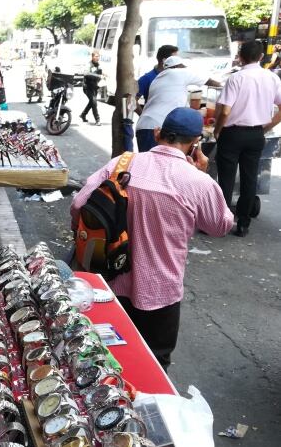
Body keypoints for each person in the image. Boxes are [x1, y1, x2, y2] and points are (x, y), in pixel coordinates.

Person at [71, 107, 233, 371]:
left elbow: (79, 203)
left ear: (158, 134)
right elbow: (220, 225)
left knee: (104, 355)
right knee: (154, 363)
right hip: (160, 291)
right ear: (195, 144)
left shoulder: (121, 163)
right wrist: (203, 175)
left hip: (109, 280)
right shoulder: (198, 182)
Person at [214, 40, 281, 237]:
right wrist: (266, 127)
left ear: (241, 57)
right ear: (261, 57)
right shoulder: (272, 78)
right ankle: (243, 223)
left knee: (225, 179)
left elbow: (225, 110)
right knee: (249, 178)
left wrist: (218, 130)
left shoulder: (236, 78)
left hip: (232, 133)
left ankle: (223, 221)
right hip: (256, 134)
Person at [135, 56, 221, 152]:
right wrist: (225, 86)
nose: (184, 69)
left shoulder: (157, 79)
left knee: (147, 164)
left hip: (143, 126)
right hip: (159, 128)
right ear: (177, 66)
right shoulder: (179, 72)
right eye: (183, 66)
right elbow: (210, 81)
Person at [136, 45, 178, 109]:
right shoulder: (146, 79)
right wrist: (143, 114)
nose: (178, 63)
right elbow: (132, 101)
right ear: (164, 61)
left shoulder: (176, 76)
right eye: (175, 60)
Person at [80, 50, 103, 126]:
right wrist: (97, 76)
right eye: (96, 56)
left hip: (94, 87)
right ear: (92, 57)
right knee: (94, 102)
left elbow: (100, 75)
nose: (97, 58)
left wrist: (101, 79)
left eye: (98, 56)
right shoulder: (89, 65)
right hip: (87, 87)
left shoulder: (99, 65)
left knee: (92, 102)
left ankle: (83, 114)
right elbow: (86, 73)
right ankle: (97, 119)